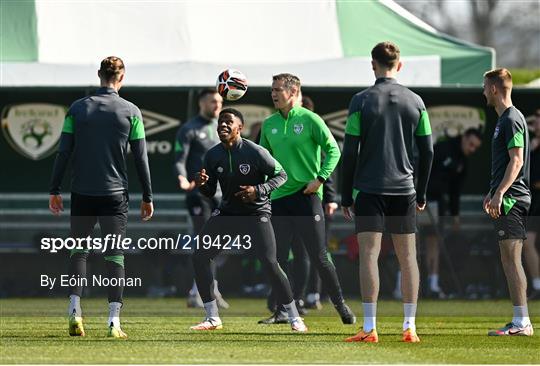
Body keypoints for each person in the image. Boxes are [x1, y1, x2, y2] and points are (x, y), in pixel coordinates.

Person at [49, 56, 154, 338]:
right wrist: (148, 195)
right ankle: (113, 322)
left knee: (78, 251)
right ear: (122, 77)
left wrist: (54, 189)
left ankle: (74, 311)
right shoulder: (131, 111)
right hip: (115, 195)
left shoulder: (77, 109)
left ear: (99, 74)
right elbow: (141, 158)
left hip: (82, 193)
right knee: (115, 256)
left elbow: (62, 153)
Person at [341, 41, 434, 343]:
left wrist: (345, 194)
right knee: (408, 257)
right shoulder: (416, 101)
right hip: (404, 190)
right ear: (400, 65)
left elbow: (350, 151)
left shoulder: (361, 100)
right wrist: (421, 192)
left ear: (373, 64)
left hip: (369, 189)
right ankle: (410, 326)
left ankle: (370, 328)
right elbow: (428, 151)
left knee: (370, 255)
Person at [189, 108, 307, 332]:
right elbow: (209, 191)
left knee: (270, 263)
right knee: (199, 256)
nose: (223, 126)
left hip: (256, 213)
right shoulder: (212, 155)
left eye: (228, 122)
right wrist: (202, 183)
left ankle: (294, 317)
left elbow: (282, 176)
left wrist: (259, 189)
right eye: (220, 122)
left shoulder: (256, 152)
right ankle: (212, 317)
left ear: (239, 127)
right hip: (228, 213)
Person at [258, 73, 355, 325]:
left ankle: (340, 305)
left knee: (319, 257)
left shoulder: (311, 119)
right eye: (272, 90)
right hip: (278, 199)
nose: (274, 94)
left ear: (293, 91)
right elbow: (263, 161)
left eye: (278, 89)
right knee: (276, 259)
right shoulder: (268, 124)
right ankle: (282, 310)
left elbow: (334, 150)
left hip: (306, 197)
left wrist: (320, 179)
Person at [395, 128, 483, 299]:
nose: (471, 149)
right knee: (407, 242)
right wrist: (417, 193)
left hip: (438, 207)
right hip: (418, 201)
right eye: (470, 144)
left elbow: (454, 192)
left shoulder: (462, 162)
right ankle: (401, 287)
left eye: (475, 147)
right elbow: (420, 168)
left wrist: (455, 215)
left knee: (433, 244)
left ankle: (433, 286)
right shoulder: (442, 148)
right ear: (464, 137)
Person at [482, 68, 533, 336]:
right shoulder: (504, 120)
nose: (482, 92)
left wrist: (501, 192)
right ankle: (520, 319)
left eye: (484, 87)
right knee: (508, 259)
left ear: (494, 89)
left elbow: (517, 159)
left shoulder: (512, 118)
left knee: (512, 260)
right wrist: (492, 191)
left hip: (513, 200)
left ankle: (521, 322)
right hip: (506, 197)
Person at [174, 88, 228, 309]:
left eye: (220, 101)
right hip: (199, 195)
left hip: (222, 195)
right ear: (201, 103)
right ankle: (204, 291)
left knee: (218, 243)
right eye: (212, 101)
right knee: (204, 241)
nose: (217, 105)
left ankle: (203, 288)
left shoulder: (225, 129)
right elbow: (179, 158)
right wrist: (182, 177)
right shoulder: (189, 129)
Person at [524, 109, 540, 299]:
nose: (536, 124)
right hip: (534, 201)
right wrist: (530, 148)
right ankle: (537, 286)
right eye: (535, 120)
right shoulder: (530, 145)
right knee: (527, 242)